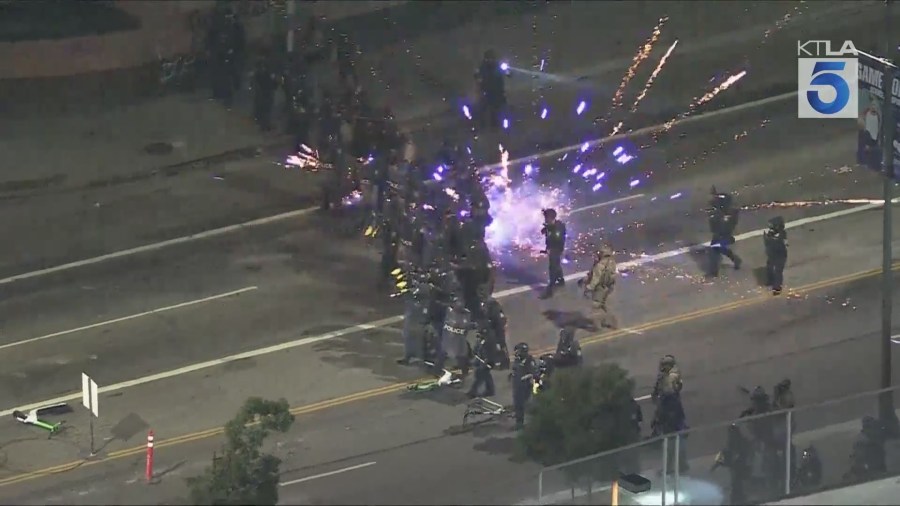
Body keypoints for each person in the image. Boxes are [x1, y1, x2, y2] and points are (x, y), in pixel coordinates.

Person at [712, 424, 752, 504]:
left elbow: (747, 455)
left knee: (738, 488)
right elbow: (721, 457)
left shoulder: (743, 443)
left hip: (741, 470)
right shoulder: (728, 446)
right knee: (735, 488)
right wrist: (715, 466)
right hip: (734, 471)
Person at [580, 244, 617, 328]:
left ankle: (596, 325)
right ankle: (613, 322)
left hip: (600, 288)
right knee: (603, 305)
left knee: (595, 306)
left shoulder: (599, 266)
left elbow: (595, 279)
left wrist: (588, 288)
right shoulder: (612, 263)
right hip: (608, 287)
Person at [708, 186, 742, 277]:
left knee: (714, 251)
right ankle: (736, 260)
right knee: (720, 249)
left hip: (722, 235)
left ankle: (714, 272)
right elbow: (719, 199)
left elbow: (721, 226)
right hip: (721, 235)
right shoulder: (727, 211)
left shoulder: (727, 216)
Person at [475, 49, 507, 131]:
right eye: (488, 58)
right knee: (483, 108)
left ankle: (494, 126)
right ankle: (482, 126)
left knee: (495, 110)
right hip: (487, 91)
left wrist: (506, 70)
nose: (490, 60)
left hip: (497, 91)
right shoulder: (483, 67)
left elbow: (507, 74)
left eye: (491, 58)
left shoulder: (497, 66)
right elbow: (477, 76)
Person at [540, 208, 567, 298]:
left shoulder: (557, 229)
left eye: (546, 218)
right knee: (557, 265)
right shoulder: (551, 225)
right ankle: (560, 280)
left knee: (552, 268)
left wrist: (550, 249)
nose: (545, 220)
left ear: (551, 219)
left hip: (556, 249)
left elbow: (557, 240)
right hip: (552, 248)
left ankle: (550, 289)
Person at [510, 342, 536, 430]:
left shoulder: (529, 360)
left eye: (518, 351)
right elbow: (515, 369)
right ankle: (519, 421)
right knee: (517, 404)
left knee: (521, 404)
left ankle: (521, 424)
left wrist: (524, 378)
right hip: (517, 386)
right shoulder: (518, 359)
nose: (516, 353)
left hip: (524, 386)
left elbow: (533, 373)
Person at [763, 216, 788, 295]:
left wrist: (770, 239)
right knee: (769, 267)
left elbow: (780, 244)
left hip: (780, 256)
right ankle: (770, 281)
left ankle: (777, 289)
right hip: (772, 254)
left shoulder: (782, 235)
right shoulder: (770, 233)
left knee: (778, 271)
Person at [467, 333, 496, 398]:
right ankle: (490, 390)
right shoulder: (479, 341)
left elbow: (492, 354)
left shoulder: (489, 343)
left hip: (486, 363)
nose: (478, 338)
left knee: (479, 376)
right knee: (486, 376)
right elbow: (476, 349)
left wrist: (488, 361)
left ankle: (473, 392)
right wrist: (474, 353)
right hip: (480, 360)